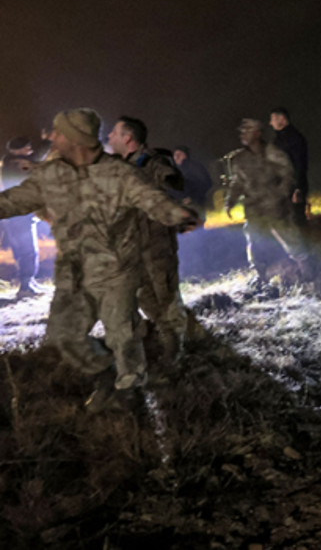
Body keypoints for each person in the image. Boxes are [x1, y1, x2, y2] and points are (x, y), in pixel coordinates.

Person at [0, 109, 198, 410]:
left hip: (117, 267)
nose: (53, 138)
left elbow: (148, 197)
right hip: (76, 270)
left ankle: (130, 391)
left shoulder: (117, 172)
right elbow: (15, 200)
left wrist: (177, 214)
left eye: (60, 133)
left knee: (123, 332)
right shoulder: (54, 174)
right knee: (64, 336)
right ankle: (108, 373)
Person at [108, 116, 191, 367]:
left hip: (155, 241)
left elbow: (173, 182)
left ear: (128, 138)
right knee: (142, 293)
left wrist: (170, 182)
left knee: (165, 292)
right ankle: (165, 331)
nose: (109, 137)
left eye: (114, 133)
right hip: (129, 242)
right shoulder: (118, 165)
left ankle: (176, 345)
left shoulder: (152, 161)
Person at [223, 118, 310, 282]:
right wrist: (230, 201)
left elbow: (287, 174)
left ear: (258, 133)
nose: (243, 134)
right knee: (254, 241)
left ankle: (306, 270)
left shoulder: (272, 152)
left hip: (275, 206)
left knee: (289, 237)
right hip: (253, 207)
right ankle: (260, 275)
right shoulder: (238, 159)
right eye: (242, 131)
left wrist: (280, 194)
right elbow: (237, 182)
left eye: (248, 131)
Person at [0, 137, 46, 298]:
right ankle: (26, 286)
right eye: (27, 147)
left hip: (13, 215)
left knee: (21, 250)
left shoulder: (9, 161)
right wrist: (47, 142)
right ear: (18, 150)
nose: (30, 150)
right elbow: (38, 158)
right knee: (29, 250)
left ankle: (28, 282)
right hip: (21, 215)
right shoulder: (16, 164)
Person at [268, 107, 309, 227]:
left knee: (296, 221)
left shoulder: (294, 139)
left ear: (282, 119)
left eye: (273, 119)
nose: (270, 123)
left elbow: (300, 163)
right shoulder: (279, 140)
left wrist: (298, 188)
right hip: (283, 187)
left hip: (291, 187)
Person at [172, 145, 215, 224]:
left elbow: (207, 183)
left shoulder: (195, 167)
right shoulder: (173, 170)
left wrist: (193, 197)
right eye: (175, 155)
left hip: (195, 205)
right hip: (178, 206)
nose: (177, 157)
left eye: (180, 154)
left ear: (185, 155)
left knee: (197, 225)